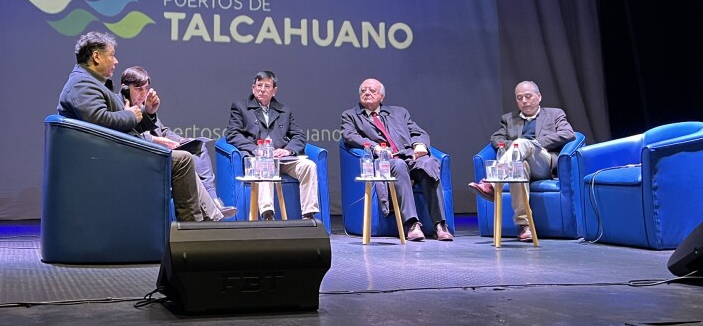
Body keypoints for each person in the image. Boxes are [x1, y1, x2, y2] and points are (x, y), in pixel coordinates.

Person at [57, 31, 213, 221]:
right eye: (112, 55)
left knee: (187, 154)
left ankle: (208, 220)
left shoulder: (91, 82)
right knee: (183, 160)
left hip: (117, 152)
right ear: (96, 56)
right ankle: (191, 230)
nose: (115, 61)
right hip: (112, 159)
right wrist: (131, 115)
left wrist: (145, 114)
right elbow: (98, 121)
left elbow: (117, 124)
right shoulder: (82, 84)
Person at [340, 78, 453, 242]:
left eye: (372, 90)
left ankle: (440, 225)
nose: (367, 93)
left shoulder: (399, 112)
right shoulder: (350, 115)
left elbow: (418, 132)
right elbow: (349, 136)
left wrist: (419, 145)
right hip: (386, 160)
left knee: (429, 163)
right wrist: (374, 147)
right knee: (398, 165)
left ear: (382, 96)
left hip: (408, 155)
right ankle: (412, 224)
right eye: (363, 90)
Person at [120, 65, 237, 220]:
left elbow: (163, 130)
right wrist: (156, 140)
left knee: (198, 148)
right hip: (147, 155)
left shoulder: (144, 107)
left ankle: (214, 201)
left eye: (146, 89)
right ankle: (212, 215)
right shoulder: (123, 109)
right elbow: (130, 137)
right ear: (126, 89)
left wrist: (180, 140)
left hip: (161, 150)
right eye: (138, 89)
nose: (143, 94)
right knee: (185, 160)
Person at [467, 80, 576, 242]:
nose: (524, 101)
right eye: (519, 98)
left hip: (543, 163)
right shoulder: (509, 119)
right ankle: (524, 226)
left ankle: (492, 181)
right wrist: (516, 146)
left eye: (528, 96)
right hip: (518, 164)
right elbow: (496, 138)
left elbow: (568, 134)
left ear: (538, 97)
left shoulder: (554, 114)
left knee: (523, 143)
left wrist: (534, 143)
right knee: (518, 166)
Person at [225, 71, 321, 220]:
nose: (262, 89)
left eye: (267, 86)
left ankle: (309, 215)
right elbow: (232, 134)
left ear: (274, 91)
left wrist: (288, 150)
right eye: (259, 85)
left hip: (282, 159)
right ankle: (267, 213)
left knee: (308, 165)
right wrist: (256, 150)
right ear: (253, 88)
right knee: (266, 165)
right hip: (257, 159)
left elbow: (299, 135)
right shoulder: (240, 107)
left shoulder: (284, 110)